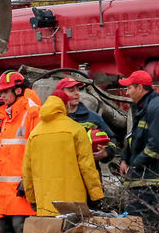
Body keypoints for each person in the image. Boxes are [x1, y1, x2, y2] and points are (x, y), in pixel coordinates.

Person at [22, 80, 104, 216]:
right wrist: (96, 195)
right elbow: (87, 166)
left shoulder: (35, 133)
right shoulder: (76, 129)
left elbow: (27, 170)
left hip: (45, 205)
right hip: (73, 206)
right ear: (65, 106)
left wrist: (31, 198)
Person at [0, 71, 42, 233]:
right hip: (5, 193)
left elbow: (38, 151)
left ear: (18, 90)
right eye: (1, 92)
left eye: (6, 91)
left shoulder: (31, 113)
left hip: (21, 192)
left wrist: (28, 180)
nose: (2, 95)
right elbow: (1, 152)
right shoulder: (8, 117)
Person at [117, 69, 159, 233]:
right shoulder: (141, 108)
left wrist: (135, 164)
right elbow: (133, 138)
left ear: (140, 88)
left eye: (129, 88)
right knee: (139, 220)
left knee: (148, 222)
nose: (127, 92)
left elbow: (157, 145)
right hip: (141, 177)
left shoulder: (155, 108)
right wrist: (125, 159)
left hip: (152, 178)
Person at [64, 80, 118, 165]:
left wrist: (106, 152)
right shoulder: (55, 117)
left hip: (89, 170)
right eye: (71, 90)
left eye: (77, 89)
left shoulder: (93, 117)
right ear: (60, 94)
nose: (77, 93)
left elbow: (111, 138)